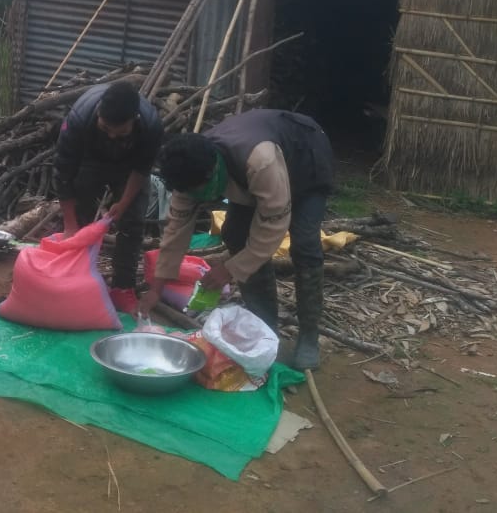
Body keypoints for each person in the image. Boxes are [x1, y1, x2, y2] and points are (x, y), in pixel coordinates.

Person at [139, 109, 334, 370]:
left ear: (211, 175)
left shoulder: (258, 161)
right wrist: (156, 289)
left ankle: (309, 337)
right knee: (234, 233)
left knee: (305, 245)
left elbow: (273, 227)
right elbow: (175, 232)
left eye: (198, 192)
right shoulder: (186, 174)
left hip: (304, 160)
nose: (195, 197)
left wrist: (230, 270)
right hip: (256, 178)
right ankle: (265, 327)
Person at [52, 80, 164, 313]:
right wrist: (70, 224)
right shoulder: (79, 120)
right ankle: (74, 278)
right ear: (99, 114)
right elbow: (63, 174)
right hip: (90, 160)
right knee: (79, 214)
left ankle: (123, 287)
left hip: (128, 166)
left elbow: (141, 170)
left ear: (135, 120)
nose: (113, 136)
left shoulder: (151, 126)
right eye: (106, 129)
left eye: (121, 132)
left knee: (132, 223)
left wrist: (123, 204)